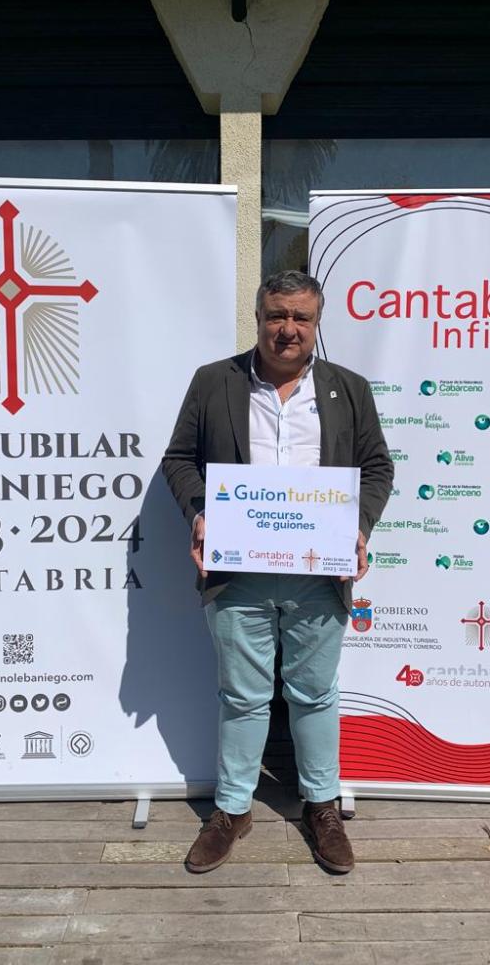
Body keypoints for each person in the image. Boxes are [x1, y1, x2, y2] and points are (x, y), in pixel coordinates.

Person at [162, 270, 393, 873]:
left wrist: (358, 526)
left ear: (317, 323)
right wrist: (201, 513)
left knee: (314, 693)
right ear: (259, 318)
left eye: (301, 318)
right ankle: (233, 809)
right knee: (242, 695)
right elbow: (179, 459)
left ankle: (321, 805)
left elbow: (377, 468)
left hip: (319, 572)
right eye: (276, 316)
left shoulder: (349, 389)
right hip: (239, 570)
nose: (287, 329)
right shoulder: (214, 381)